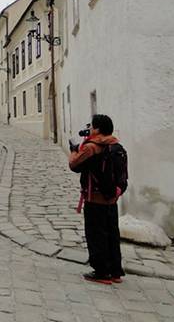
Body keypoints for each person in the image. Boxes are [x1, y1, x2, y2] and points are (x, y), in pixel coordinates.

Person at [68, 114, 125, 285]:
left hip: (95, 198)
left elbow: (74, 165)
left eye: (92, 127)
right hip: (111, 200)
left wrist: (74, 150)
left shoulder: (92, 147)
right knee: (112, 235)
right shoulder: (117, 146)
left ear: (98, 129)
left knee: (96, 235)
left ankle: (101, 272)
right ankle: (115, 271)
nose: (90, 129)